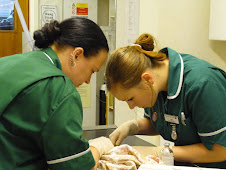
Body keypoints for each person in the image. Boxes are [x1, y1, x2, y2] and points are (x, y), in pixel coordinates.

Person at [0, 17, 114, 170]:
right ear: (77, 54)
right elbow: (77, 167)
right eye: (92, 71)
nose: (88, 80)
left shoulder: (9, 62)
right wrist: (99, 147)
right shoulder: (60, 88)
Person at [105, 33, 226, 168]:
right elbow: (164, 122)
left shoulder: (203, 84)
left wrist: (159, 152)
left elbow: (221, 151)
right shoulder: (155, 86)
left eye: (131, 99)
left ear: (147, 79)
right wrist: (133, 127)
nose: (131, 107)